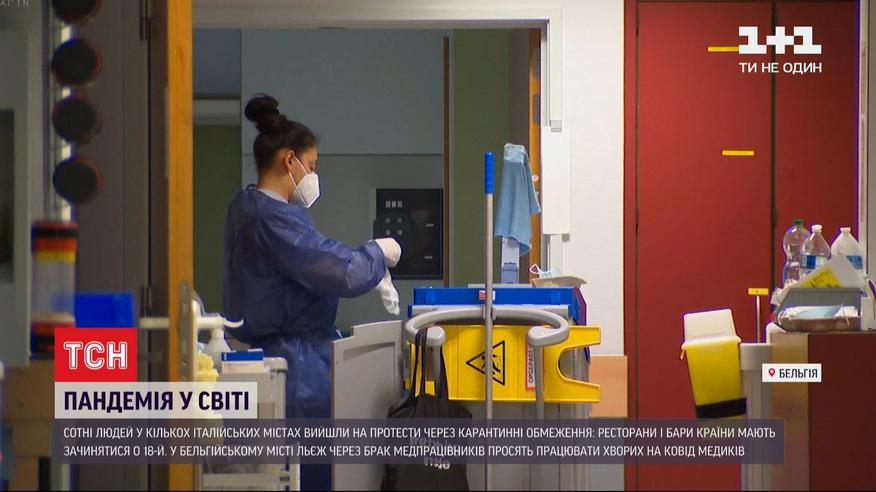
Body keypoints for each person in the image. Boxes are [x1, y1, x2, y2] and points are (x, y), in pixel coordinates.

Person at [222, 93, 401, 490]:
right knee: (310, 473)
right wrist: (377, 253)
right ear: (290, 161)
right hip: (296, 370)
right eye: (312, 166)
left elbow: (315, 258)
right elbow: (338, 271)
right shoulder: (272, 220)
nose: (313, 176)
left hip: (276, 358)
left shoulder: (246, 208)